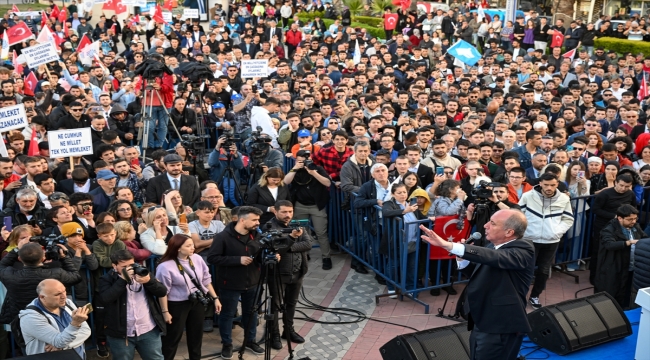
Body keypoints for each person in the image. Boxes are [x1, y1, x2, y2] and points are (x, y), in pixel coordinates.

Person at [419, 209, 534, 360]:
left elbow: (495, 258)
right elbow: (482, 271)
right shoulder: (493, 246)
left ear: (509, 232)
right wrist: (462, 259)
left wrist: (450, 246)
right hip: (482, 320)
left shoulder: (523, 250)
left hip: (500, 325)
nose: (485, 225)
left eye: (492, 223)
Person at [207, 206, 274, 359]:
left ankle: (250, 340)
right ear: (242, 220)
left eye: (258, 219)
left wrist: (270, 258)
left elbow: (258, 256)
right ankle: (227, 344)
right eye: (254, 220)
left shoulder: (256, 236)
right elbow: (212, 258)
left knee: (251, 313)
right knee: (227, 314)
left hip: (253, 282)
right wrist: (237, 260)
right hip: (229, 283)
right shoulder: (222, 237)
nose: (258, 223)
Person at [155, 234, 221, 359]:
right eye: (188, 245)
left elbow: (206, 280)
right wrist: (165, 311)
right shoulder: (165, 266)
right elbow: (163, 292)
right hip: (176, 304)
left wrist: (215, 298)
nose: (193, 247)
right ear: (178, 248)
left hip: (197, 301)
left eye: (192, 244)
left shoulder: (197, 258)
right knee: (172, 338)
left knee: (196, 337)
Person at [97, 250, 167, 360]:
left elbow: (162, 292)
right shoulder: (106, 279)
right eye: (124, 266)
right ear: (114, 266)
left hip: (148, 330)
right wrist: (122, 280)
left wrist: (149, 282)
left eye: (131, 265)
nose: (129, 269)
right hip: (121, 334)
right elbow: (105, 299)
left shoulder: (142, 274)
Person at [518, 173, 574, 309]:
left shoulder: (563, 199)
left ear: (557, 184)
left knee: (543, 270)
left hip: (551, 241)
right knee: (526, 270)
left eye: (553, 185)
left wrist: (557, 231)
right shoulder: (527, 196)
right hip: (530, 239)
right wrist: (524, 232)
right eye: (546, 184)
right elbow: (519, 216)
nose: (549, 187)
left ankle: (535, 296)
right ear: (540, 183)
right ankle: (520, 297)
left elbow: (568, 219)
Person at [264, 200, 311, 349]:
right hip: (278, 274)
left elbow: (308, 244)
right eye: (284, 212)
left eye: (290, 212)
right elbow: (276, 249)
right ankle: (274, 334)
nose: (288, 215)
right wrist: (290, 241)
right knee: (276, 306)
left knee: (291, 303)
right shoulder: (269, 227)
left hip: (297, 272)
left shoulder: (297, 225)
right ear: (276, 211)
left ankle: (288, 330)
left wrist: (288, 247)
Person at [284, 150, 332, 270]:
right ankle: (305, 253)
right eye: (300, 160)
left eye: (306, 159)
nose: (304, 162)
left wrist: (313, 173)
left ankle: (326, 257)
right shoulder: (294, 170)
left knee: (321, 232)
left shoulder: (317, 168)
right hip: (300, 206)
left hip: (317, 206)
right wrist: (295, 167)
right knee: (302, 232)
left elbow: (327, 183)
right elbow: (286, 181)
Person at [18, 279, 91, 358]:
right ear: (42, 297)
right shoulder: (30, 317)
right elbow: (59, 342)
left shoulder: (67, 303)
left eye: (64, 291)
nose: (64, 296)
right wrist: (75, 324)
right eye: (57, 294)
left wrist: (62, 346)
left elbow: (86, 331)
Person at [596, 204, 646, 309]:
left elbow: (644, 238)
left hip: (630, 266)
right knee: (613, 294)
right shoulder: (609, 229)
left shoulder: (635, 227)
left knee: (627, 293)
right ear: (620, 218)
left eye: (635, 219)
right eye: (630, 219)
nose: (633, 221)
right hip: (615, 267)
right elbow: (609, 245)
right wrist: (629, 242)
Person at [590, 174, 637, 285]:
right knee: (598, 251)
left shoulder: (630, 194)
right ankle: (594, 278)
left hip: (621, 229)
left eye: (627, 186)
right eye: (621, 185)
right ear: (616, 182)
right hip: (603, 226)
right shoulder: (605, 194)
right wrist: (613, 216)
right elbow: (595, 209)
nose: (623, 189)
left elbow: (634, 208)